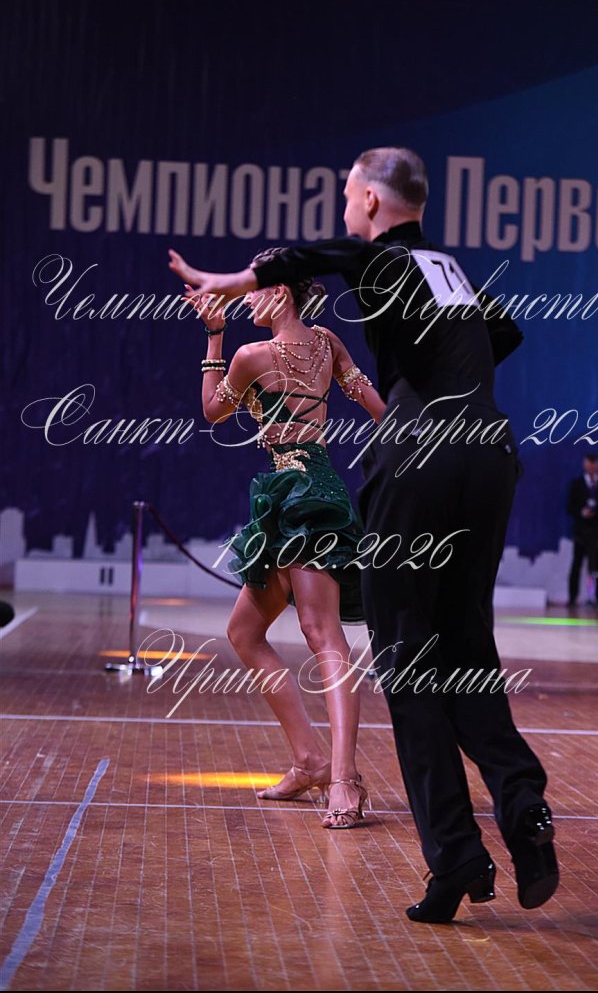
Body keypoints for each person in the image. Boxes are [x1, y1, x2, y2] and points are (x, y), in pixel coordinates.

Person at [168, 146, 559, 921]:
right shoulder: (449, 270)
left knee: (407, 657)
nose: (348, 208)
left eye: (350, 195)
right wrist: (438, 374)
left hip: (417, 459)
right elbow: (504, 334)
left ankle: (454, 853)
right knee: (467, 649)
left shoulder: (380, 256)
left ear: (374, 201)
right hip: (489, 452)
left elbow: (317, 256)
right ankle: (523, 805)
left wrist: (227, 280)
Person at [188, 246, 385, 828]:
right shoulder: (328, 343)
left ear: (278, 292)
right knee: (245, 632)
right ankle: (309, 760)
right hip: (311, 490)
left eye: (255, 288)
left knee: (323, 635)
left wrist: (214, 338)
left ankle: (344, 781)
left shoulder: (250, 355)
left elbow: (212, 412)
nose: (246, 298)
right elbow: (377, 407)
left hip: (297, 499)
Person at [567, 453, 598, 610]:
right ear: (585, 464)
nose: (592, 467)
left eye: (594, 464)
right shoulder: (577, 484)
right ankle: (572, 598)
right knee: (577, 564)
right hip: (581, 532)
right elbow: (570, 506)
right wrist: (582, 512)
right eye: (589, 464)